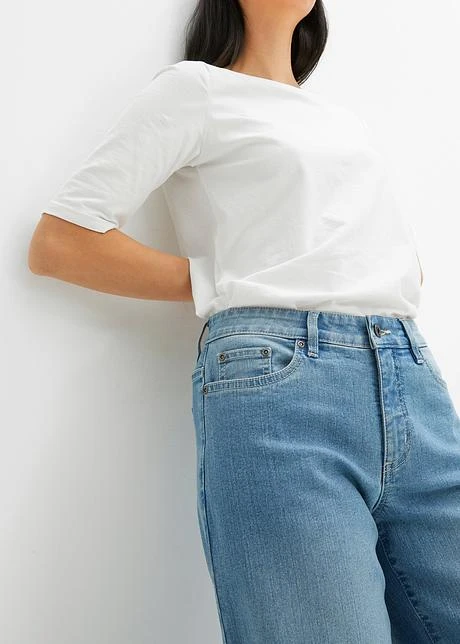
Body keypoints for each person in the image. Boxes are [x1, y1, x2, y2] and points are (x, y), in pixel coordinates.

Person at [28, 1, 460, 642]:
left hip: (410, 378)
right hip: (280, 383)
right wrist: (220, 281)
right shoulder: (196, 90)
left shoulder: (342, 118)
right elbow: (62, 241)